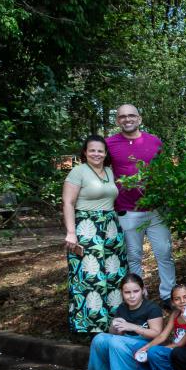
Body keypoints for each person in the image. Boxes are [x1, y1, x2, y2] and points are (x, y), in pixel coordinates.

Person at [106, 104, 176, 303]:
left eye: (131, 116)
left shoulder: (154, 141)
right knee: (133, 257)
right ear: (117, 120)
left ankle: (168, 296)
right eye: (122, 117)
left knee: (164, 252)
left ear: (139, 118)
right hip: (127, 210)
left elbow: (165, 171)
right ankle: (138, 296)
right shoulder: (109, 144)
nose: (127, 119)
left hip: (156, 210)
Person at [62, 135, 127, 333]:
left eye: (100, 150)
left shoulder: (109, 171)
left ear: (105, 153)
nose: (96, 154)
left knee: (114, 274)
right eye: (92, 150)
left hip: (111, 227)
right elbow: (68, 203)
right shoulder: (78, 172)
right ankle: (89, 328)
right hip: (87, 228)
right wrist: (71, 233)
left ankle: (114, 324)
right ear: (85, 152)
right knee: (90, 276)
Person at [84, 273, 164, 370]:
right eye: (127, 292)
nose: (132, 296)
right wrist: (114, 325)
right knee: (100, 338)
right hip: (124, 342)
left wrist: (134, 327)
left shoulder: (152, 308)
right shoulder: (122, 308)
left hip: (146, 346)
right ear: (122, 293)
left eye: (136, 291)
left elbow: (158, 334)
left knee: (116, 341)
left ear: (143, 290)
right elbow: (114, 334)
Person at [132, 283, 186, 370]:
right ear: (172, 302)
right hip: (174, 348)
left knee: (155, 351)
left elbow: (181, 343)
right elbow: (163, 336)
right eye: (177, 299)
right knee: (139, 346)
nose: (182, 301)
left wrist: (155, 349)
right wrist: (146, 348)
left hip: (185, 353)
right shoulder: (175, 314)